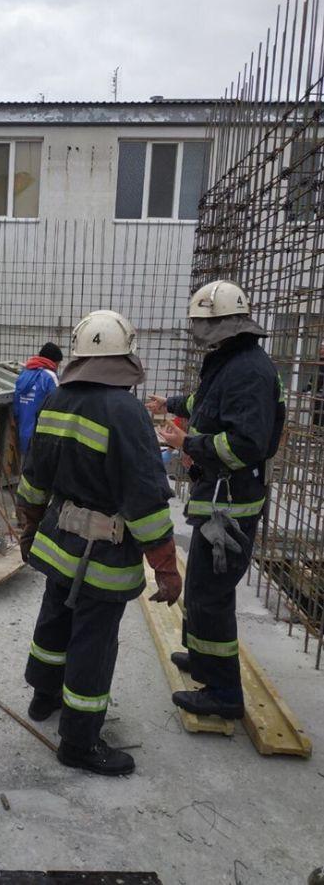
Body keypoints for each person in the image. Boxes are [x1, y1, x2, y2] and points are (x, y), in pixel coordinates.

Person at [16, 310, 182, 777]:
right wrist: (166, 567)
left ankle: (43, 698)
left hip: (57, 542)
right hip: (105, 556)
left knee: (55, 619)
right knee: (93, 642)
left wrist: (27, 529)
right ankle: (80, 742)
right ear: (125, 358)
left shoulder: (58, 400)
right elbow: (146, 500)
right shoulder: (125, 411)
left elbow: (34, 478)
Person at [148, 280, 285, 720]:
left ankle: (223, 694)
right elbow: (203, 401)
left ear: (221, 324)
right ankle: (203, 658)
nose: (194, 331)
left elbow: (248, 443)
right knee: (206, 588)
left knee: (211, 594)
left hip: (231, 504)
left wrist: (192, 443)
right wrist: (167, 403)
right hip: (220, 496)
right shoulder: (231, 362)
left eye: (200, 323)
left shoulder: (248, 370)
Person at [13, 342, 63, 457]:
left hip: (23, 431)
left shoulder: (24, 374)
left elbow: (16, 407)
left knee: (26, 468)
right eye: (58, 364)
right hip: (42, 435)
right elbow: (58, 404)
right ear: (54, 362)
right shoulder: (50, 376)